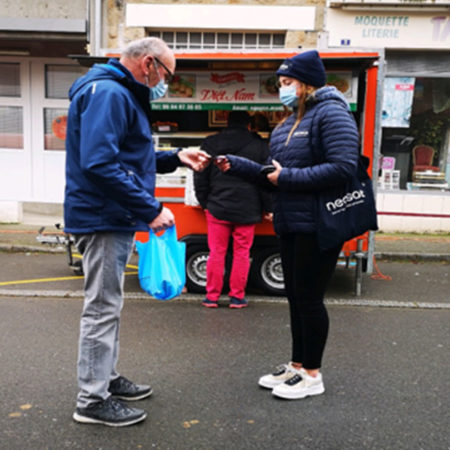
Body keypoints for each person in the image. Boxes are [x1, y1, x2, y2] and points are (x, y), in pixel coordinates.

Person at [64, 37, 210, 427]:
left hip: (110, 214)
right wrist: (152, 209)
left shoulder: (113, 91)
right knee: (102, 307)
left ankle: (105, 379)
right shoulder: (110, 93)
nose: (166, 84)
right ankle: (91, 400)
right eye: (168, 74)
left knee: (109, 304)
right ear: (149, 64)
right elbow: (99, 164)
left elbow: (128, 157)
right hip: (103, 217)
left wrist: (175, 156)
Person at [215, 50, 359, 399]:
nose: (282, 89)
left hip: (319, 222)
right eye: (280, 83)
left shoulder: (331, 113)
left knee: (309, 298)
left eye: (287, 82)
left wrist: (286, 177)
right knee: (295, 296)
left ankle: (313, 374)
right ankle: (297, 365)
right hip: (291, 220)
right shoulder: (288, 123)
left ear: (307, 83)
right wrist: (237, 165)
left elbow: (344, 167)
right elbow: (273, 175)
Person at [194, 111, 272, 309]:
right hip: (248, 207)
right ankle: (237, 297)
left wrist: (205, 202)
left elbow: (200, 175)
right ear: (248, 125)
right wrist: (268, 207)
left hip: (217, 206)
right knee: (242, 253)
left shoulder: (211, 143)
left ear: (227, 123)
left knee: (217, 252)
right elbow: (265, 179)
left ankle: (211, 297)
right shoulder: (260, 145)